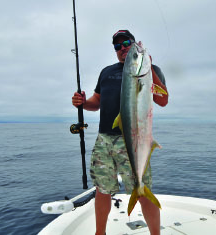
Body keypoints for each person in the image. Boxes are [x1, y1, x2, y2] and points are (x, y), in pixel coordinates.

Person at [72, 30, 168, 235]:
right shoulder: (106, 72)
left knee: (142, 191)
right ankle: (100, 233)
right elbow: (96, 102)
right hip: (104, 139)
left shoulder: (152, 70)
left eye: (127, 43)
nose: (123, 48)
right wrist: (83, 102)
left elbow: (163, 100)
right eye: (118, 46)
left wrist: (149, 70)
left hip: (134, 138)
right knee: (102, 189)